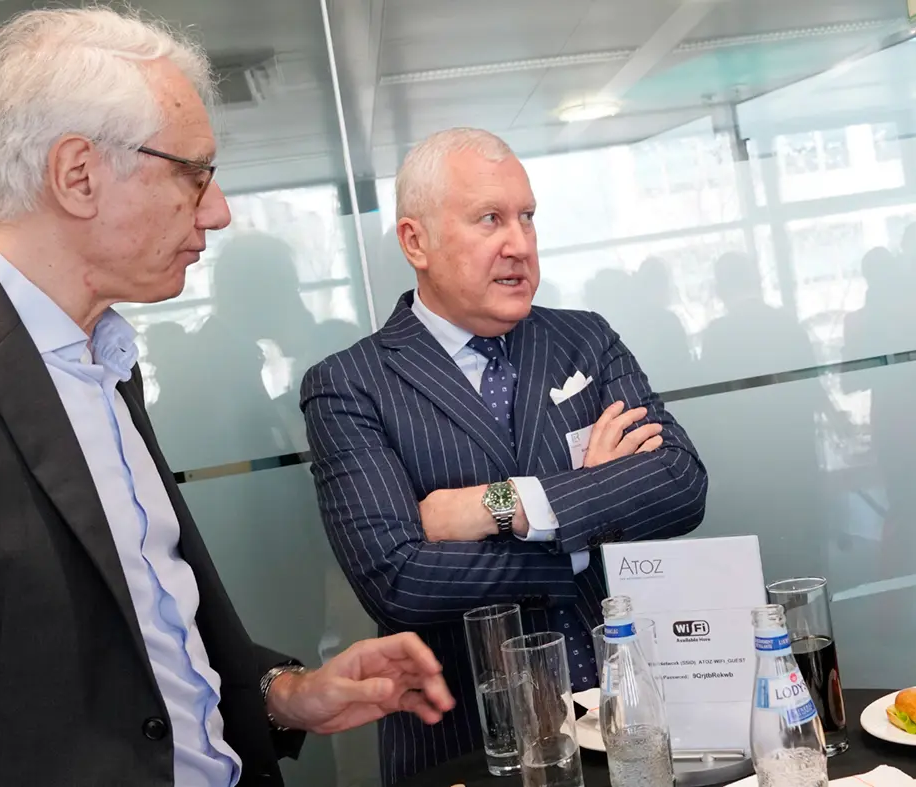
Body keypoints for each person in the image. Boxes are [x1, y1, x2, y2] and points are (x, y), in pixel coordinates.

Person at [0, 9, 454, 787]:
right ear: (77, 175)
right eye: (194, 172)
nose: (217, 209)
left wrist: (283, 694)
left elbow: (132, 636)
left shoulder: (102, 358)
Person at [300, 128, 707, 784]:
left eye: (527, 217)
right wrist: (585, 528)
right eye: (489, 219)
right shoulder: (350, 384)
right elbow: (399, 580)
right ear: (415, 241)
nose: (518, 243)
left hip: (623, 724)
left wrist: (505, 505)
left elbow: (679, 483)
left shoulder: (584, 340)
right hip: (466, 742)